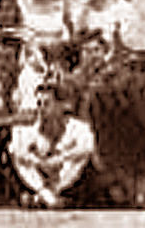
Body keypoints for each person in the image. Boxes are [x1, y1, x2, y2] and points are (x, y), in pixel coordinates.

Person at [10, 81, 95, 209]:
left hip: (65, 177)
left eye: (47, 103)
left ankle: (47, 195)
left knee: (79, 157)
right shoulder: (28, 129)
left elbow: (87, 147)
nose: (41, 108)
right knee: (20, 159)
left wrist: (60, 158)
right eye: (39, 103)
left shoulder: (78, 127)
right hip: (39, 175)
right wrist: (38, 161)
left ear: (60, 106)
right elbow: (17, 150)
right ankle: (47, 196)